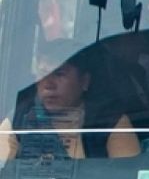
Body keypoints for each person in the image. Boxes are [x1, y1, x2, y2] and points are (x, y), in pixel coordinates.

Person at [0, 40, 140, 161]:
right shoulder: (19, 118)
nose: (48, 84)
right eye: (42, 73)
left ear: (84, 81)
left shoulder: (110, 121)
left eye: (59, 74)